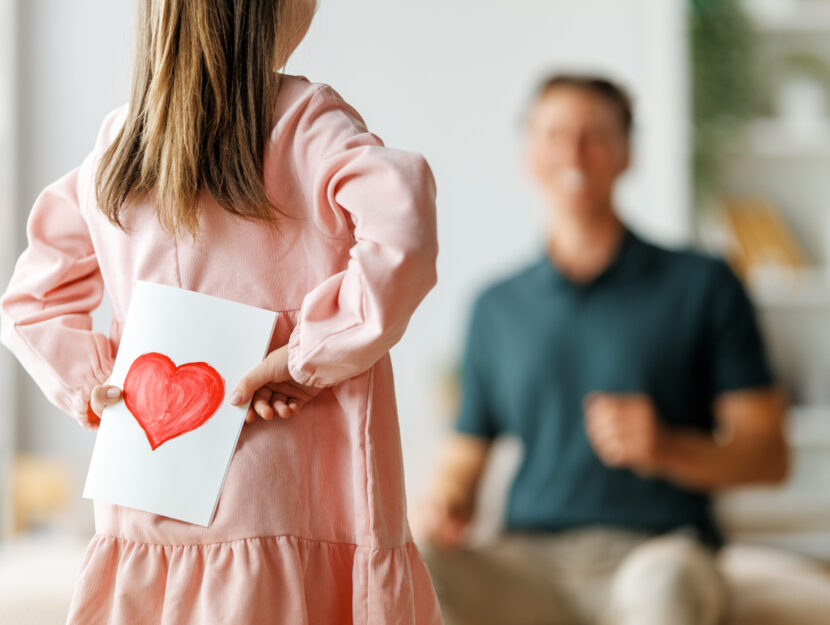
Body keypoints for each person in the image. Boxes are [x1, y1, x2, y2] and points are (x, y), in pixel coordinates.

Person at [0, 1, 442, 623]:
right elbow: (405, 229)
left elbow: (30, 301)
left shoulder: (121, 142)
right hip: (296, 492)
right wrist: (313, 350)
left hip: (146, 482)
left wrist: (91, 384)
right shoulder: (304, 122)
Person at [414, 74, 789, 625]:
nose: (574, 152)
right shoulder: (495, 306)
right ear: (530, 154)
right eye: (555, 134)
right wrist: (447, 500)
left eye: (595, 134)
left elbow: (769, 456)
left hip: (658, 551)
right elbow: (465, 458)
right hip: (530, 564)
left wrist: (667, 447)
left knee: (662, 588)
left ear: (627, 153)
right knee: (416, 563)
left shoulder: (704, 284)